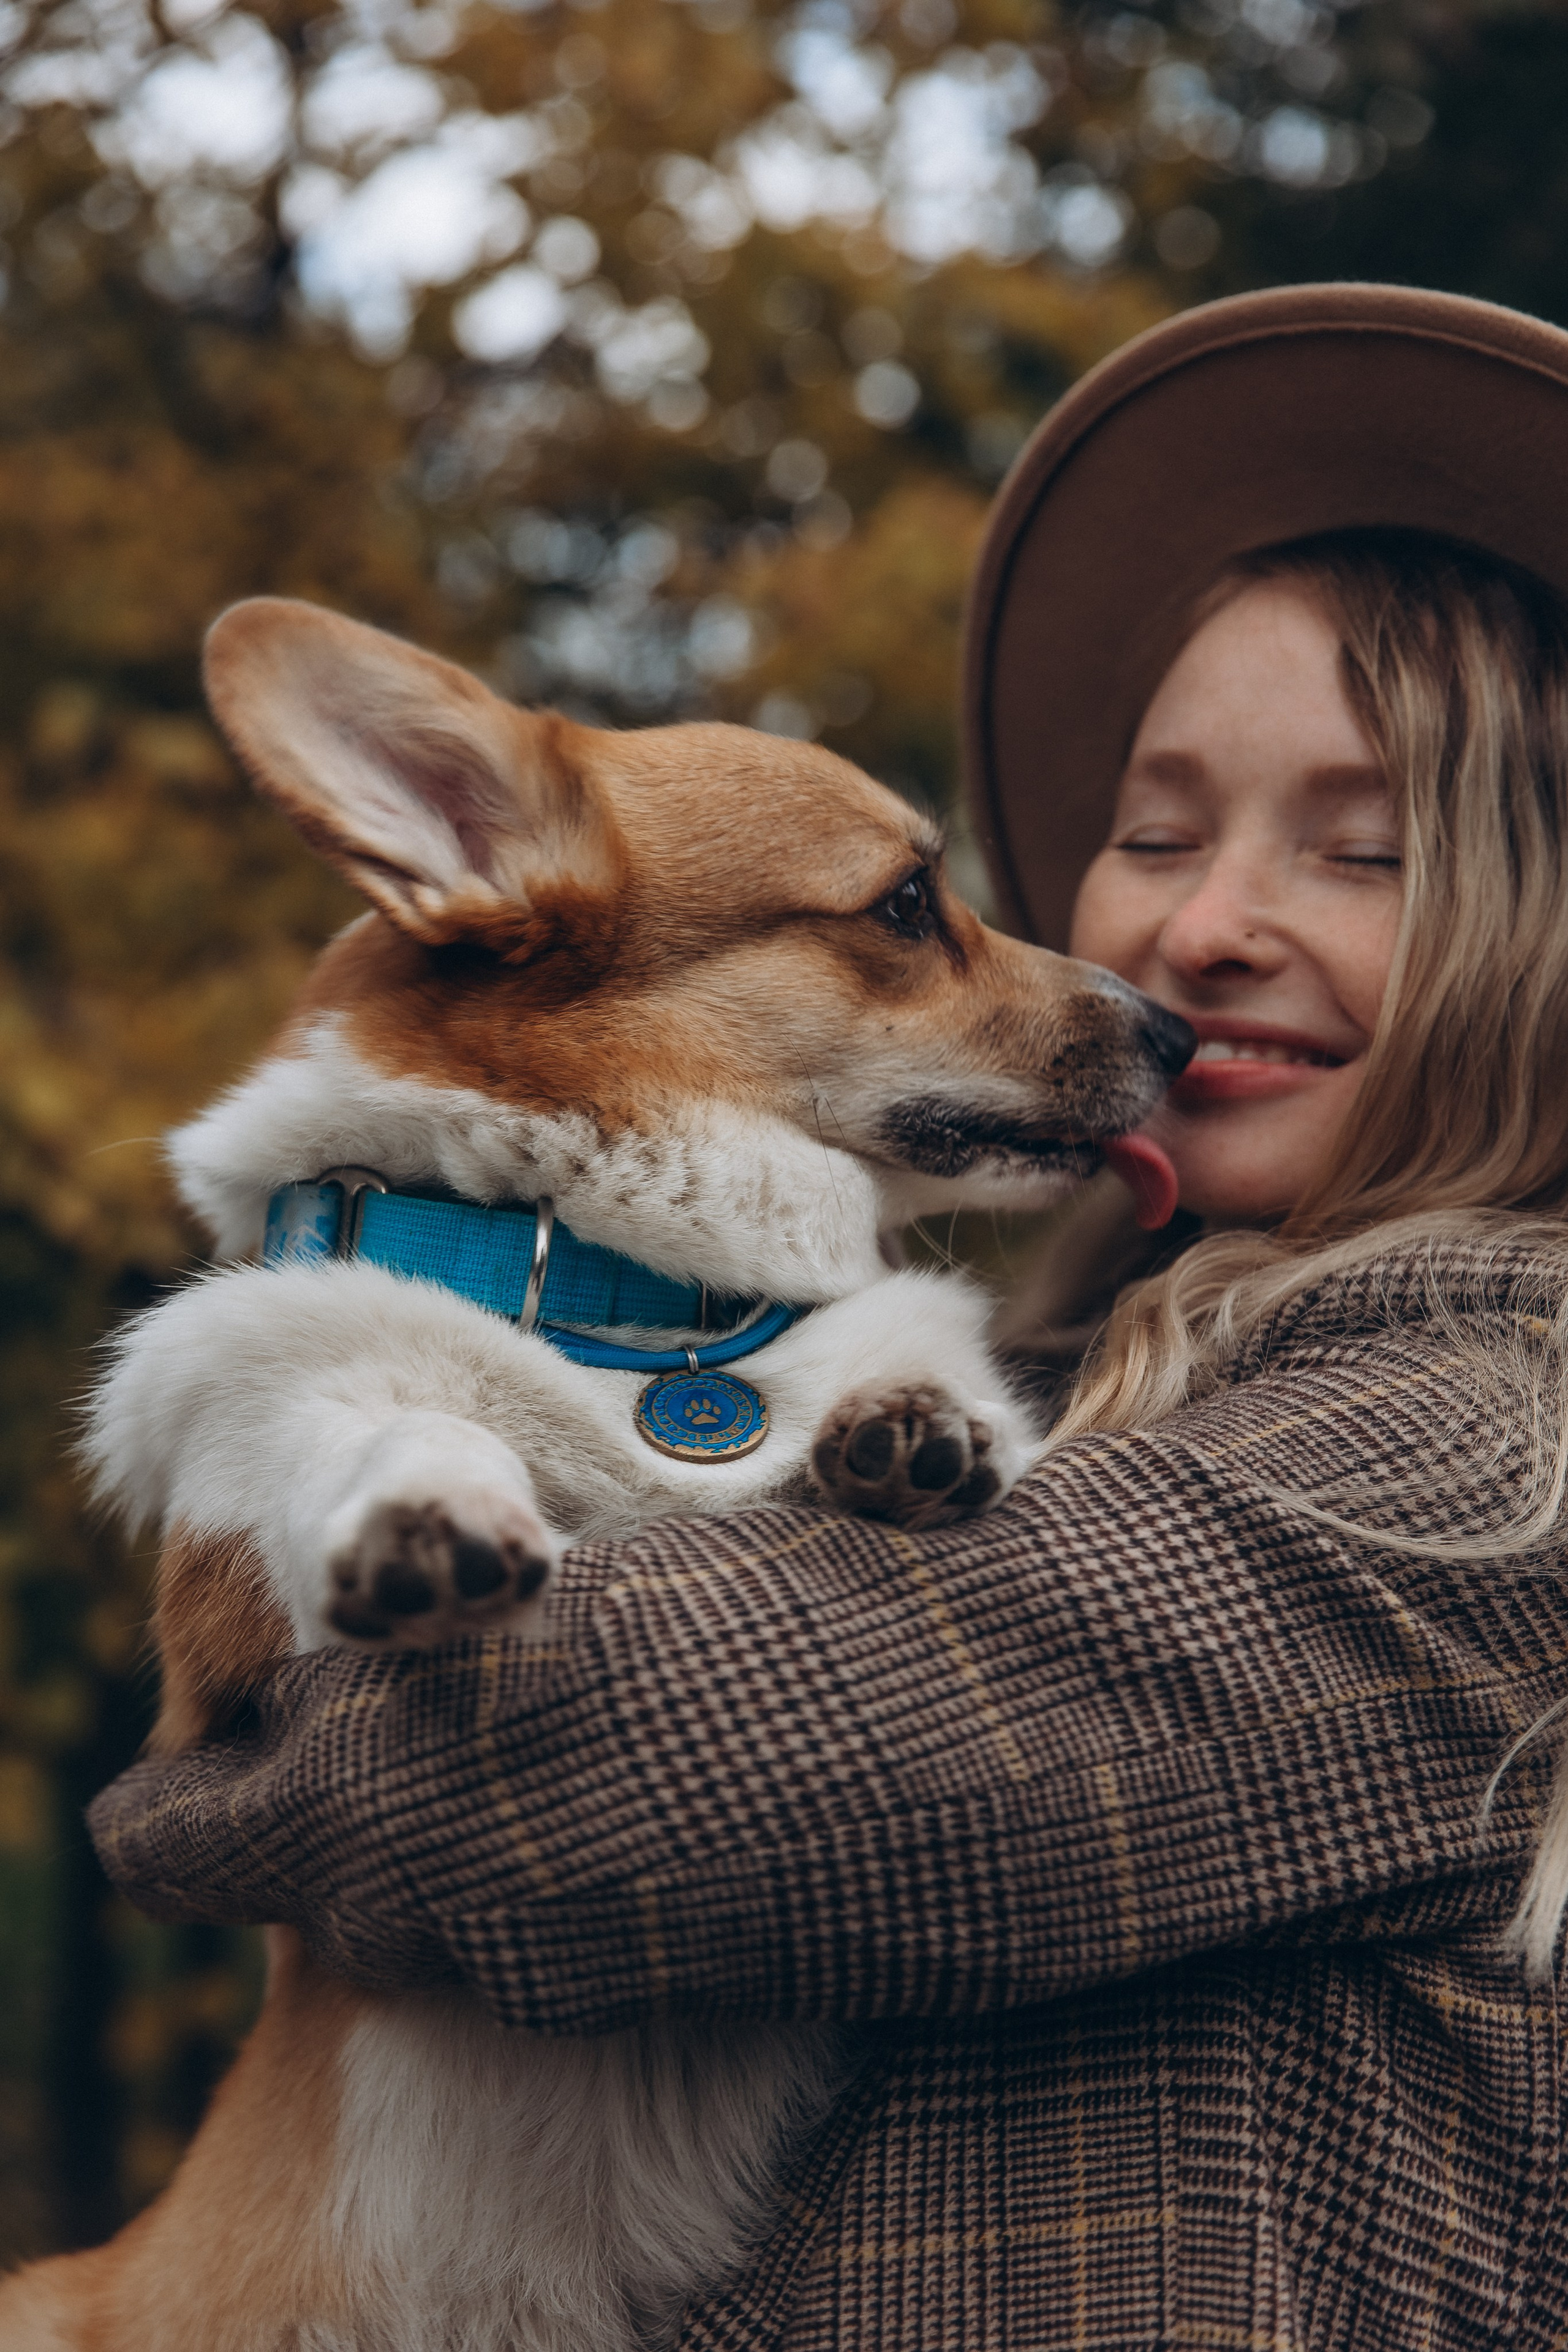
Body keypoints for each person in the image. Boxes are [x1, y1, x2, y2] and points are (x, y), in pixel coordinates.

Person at [86, 286, 1568, 2350]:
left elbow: (626, 1793)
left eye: (1370, 848)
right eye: (1152, 833)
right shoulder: (1038, 1384)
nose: (1195, 932)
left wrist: (207, 1792)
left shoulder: (1495, 1438)